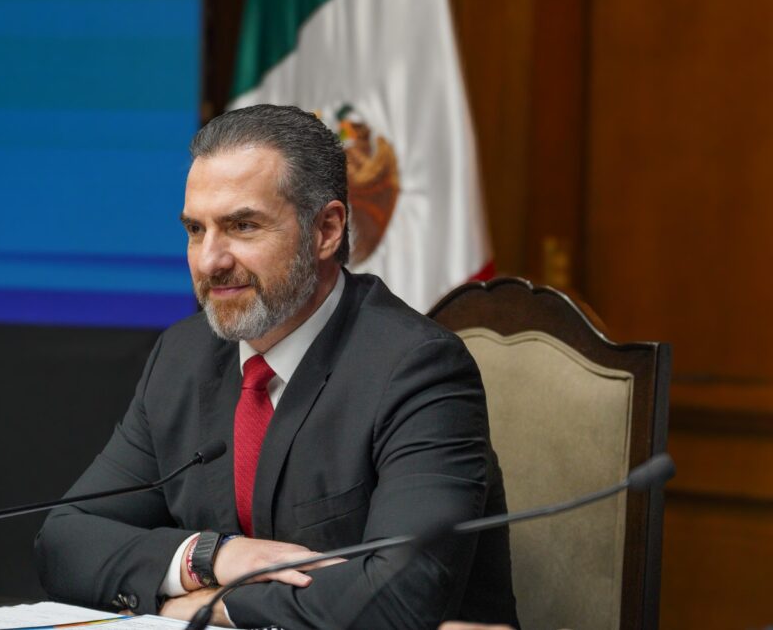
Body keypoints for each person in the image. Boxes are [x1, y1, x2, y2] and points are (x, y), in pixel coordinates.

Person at [35, 105, 519, 629]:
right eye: (196, 229)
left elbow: (402, 596)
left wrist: (209, 607)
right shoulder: (183, 355)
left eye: (242, 226)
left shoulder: (417, 369)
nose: (209, 260)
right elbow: (65, 542)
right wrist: (208, 557)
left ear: (326, 230)